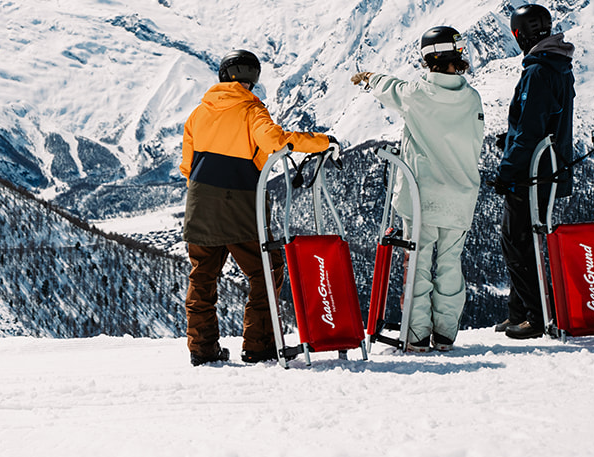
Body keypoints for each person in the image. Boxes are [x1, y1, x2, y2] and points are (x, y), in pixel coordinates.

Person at [180, 49, 334, 366]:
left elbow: (186, 165)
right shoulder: (251, 112)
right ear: (252, 80)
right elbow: (277, 142)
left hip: (199, 202)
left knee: (202, 279)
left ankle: (202, 349)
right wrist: (323, 142)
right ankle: (257, 345)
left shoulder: (198, 113)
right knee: (267, 270)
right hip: (240, 203)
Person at [350, 26, 485, 351]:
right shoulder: (471, 98)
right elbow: (476, 142)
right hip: (460, 195)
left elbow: (390, 89)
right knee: (452, 263)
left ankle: (418, 335)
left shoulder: (418, 94)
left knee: (419, 262)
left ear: (428, 58)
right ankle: (445, 334)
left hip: (422, 197)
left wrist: (368, 78)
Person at [492, 4, 575, 340]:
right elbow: (543, 119)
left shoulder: (538, 71)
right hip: (550, 167)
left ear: (519, 34)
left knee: (517, 242)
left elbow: (530, 127)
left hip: (531, 173)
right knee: (525, 239)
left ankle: (535, 316)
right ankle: (519, 311)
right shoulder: (559, 66)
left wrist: (508, 168)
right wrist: (509, 139)